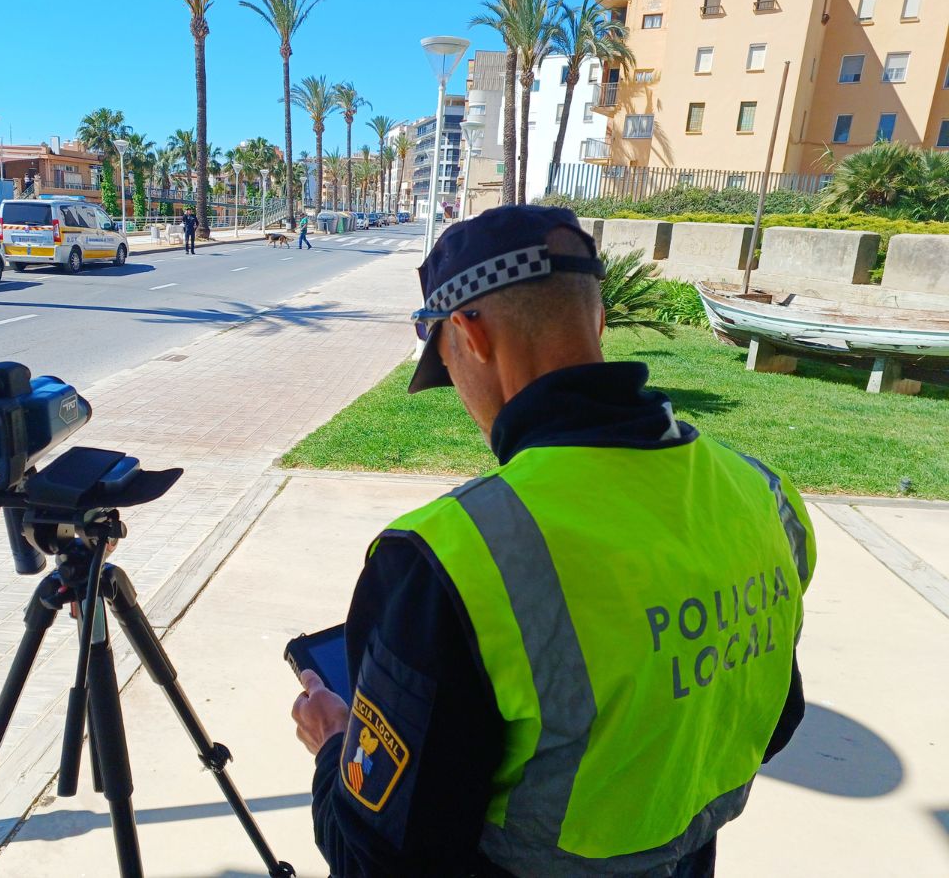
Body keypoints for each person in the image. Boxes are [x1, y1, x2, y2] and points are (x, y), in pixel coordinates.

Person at [290, 205, 815, 878]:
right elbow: (775, 720)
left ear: (469, 335)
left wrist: (336, 745)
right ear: (596, 320)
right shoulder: (763, 493)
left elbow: (381, 859)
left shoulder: (444, 558)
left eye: (448, 368)